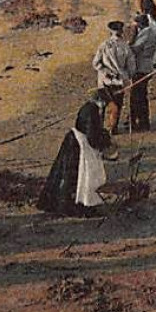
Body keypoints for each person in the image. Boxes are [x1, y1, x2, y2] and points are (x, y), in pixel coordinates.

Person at [38, 89, 114, 218]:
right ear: (100, 101)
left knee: (69, 176)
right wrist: (104, 142)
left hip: (75, 142)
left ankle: (70, 203)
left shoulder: (88, 108)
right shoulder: (92, 112)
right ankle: (78, 204)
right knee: (80, 177)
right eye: (104, 103)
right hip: (79, 146)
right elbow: (92, 136)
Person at [92, 20, 135, 133]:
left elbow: (96, 63)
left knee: (102, 105)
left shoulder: (104, 45)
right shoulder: (126, 47)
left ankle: (100, 128)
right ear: (121, 31)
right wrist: (127, 77)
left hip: (104, 81)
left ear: (110, 31)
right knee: (117, 105)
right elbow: (131, 66)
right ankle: (113, 128)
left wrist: (106, 71)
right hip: (119, 82)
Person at [126, 14, 156, 131]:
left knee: (137, 95)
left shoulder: (146, 33)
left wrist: (131, 39)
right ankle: (138, 120)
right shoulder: (151, 31)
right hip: (146, 65)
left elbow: (134, 49)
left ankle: (140, 121)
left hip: (142, 67)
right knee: (140, 95)